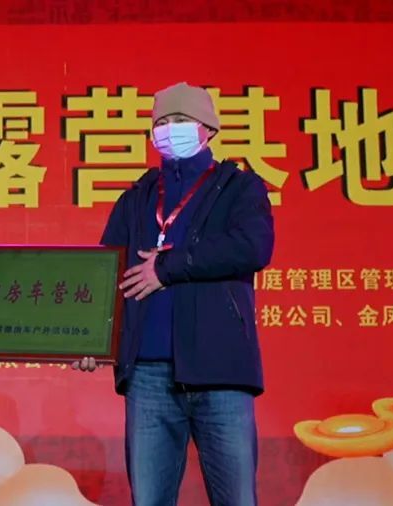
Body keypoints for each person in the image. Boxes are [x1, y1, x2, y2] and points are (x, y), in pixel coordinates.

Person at [75, 82, 275, 505]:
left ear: (209, 129)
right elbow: (107, 274)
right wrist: (90, 340)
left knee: (237, 499)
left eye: (181, 120)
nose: (170, 129)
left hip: (220, 370)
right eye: (162, 122)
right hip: (147, 375)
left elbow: (251, 247)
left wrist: (166, 268)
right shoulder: (137, 197)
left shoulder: (240, 188)